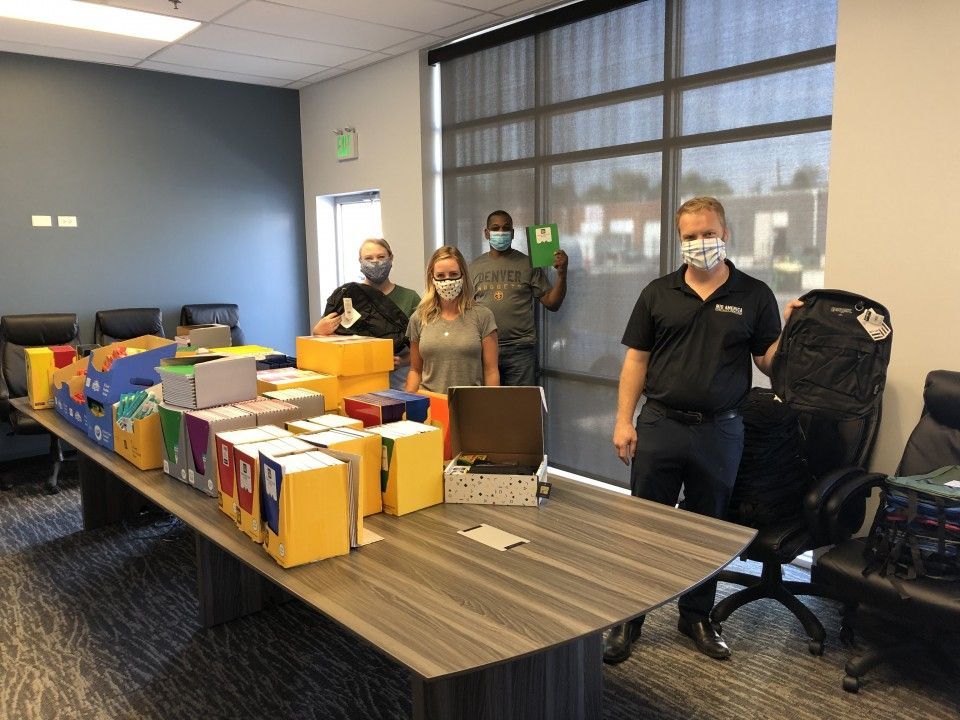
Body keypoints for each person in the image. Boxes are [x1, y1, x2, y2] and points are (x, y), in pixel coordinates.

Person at [606, 196, 802, 664]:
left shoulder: (753, 295)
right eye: (690, 236)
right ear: (679, 240)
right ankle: (629, 618)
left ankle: (695, 614)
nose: (700, 243)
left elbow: (766, 362)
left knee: (707, 529)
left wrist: (791, 333)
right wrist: (622, 419)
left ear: (725, 233)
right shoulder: (658, 292)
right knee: (645, 527)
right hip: (660, 424)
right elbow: (636, 359)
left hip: (721, 431)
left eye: (708, 233)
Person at [469, 210, 568, 386]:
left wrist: (562, 274)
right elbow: (464, 310)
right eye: (495, 228)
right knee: (487, 408)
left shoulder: (528, 264)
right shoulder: (473, 267)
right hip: (484, 349)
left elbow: (552, 303)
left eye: (506, 228)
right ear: (486, 233)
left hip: (520, 351)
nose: (501, 232)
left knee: (520, 408)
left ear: (513, 233)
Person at [312, 238, 421, 389]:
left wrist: (404, 360)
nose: (375, 262)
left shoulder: (410, 298)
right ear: (360, 262)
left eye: (381, 257)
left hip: (398, 382)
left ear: (391, 258)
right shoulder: (346, 296)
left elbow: (425, 345)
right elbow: (328, 344)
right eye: (368, 258)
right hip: (356, 381)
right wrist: (317, 331)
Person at [405, 246, 499, 394]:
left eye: (453, 274)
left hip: (470, 404)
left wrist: (490, 408)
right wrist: (407, 405)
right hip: (430, 406)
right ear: (432, 278)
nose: (447, 280)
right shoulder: (419, 318)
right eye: (441, 276)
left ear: (463, 275)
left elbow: (491, 371)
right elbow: (415, 370)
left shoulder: (483, 316)